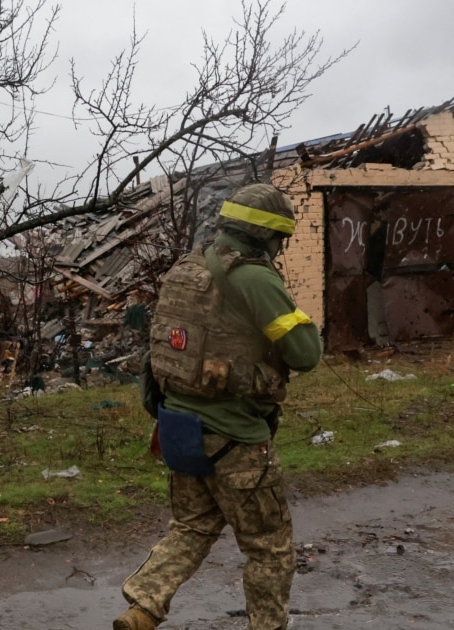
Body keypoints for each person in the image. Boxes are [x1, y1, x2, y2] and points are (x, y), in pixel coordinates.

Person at [115, 183, 322, 630]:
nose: (281, 248)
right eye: (279, 239)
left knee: (192, 526)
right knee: (268, 546)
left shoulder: (186, 269)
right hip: (237, 439)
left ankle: (142, 609)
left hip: (180, 429)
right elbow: (305, 353)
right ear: (265, 236)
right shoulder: (253, 277)